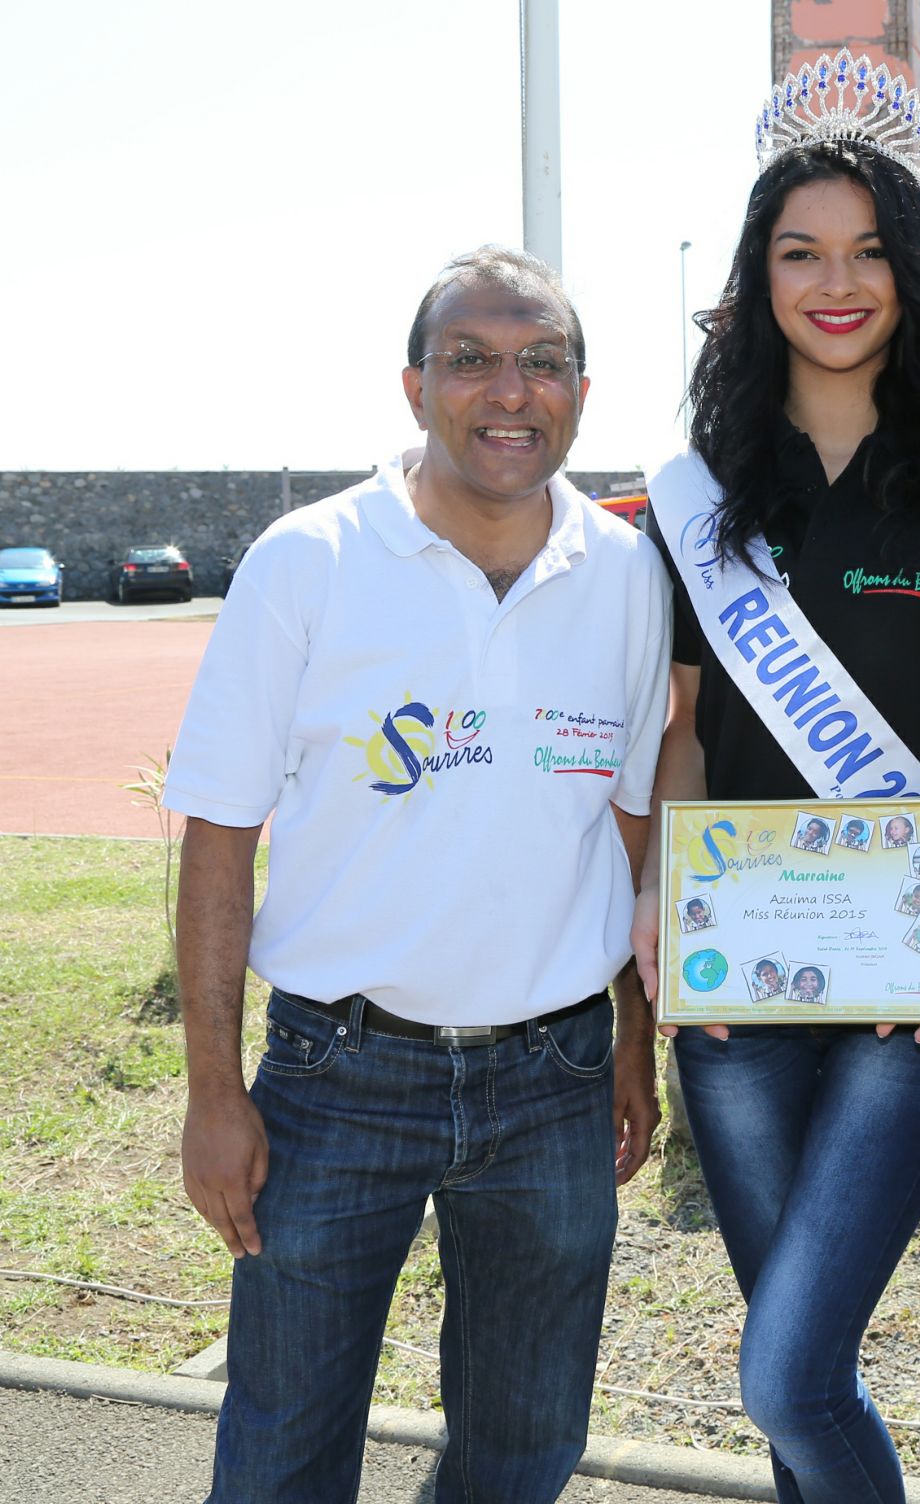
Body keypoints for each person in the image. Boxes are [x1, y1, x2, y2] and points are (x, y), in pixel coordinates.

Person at [164, 247, 672, 1504]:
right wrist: (214, 1093)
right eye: (473, 360)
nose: (511, 390)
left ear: (582, 394)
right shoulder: (309, 561)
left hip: (552, 1081)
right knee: (283, 1448)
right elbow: (219, 835)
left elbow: (627, 821)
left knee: (524, 1444)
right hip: (338, 1077)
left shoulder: (624, 578)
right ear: (413, 387)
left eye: (542, 361)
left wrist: (630, 1038)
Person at [635, 50, 920, 1504]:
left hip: (908, 974)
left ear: (914, 271)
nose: (838, 282)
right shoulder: (704, 490)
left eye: (871, 251)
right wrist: (657, 910)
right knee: (794, 1362)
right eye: (801, 252)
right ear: (760, 278)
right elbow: (683, 728)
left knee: (786, 1370)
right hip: (738, 976)